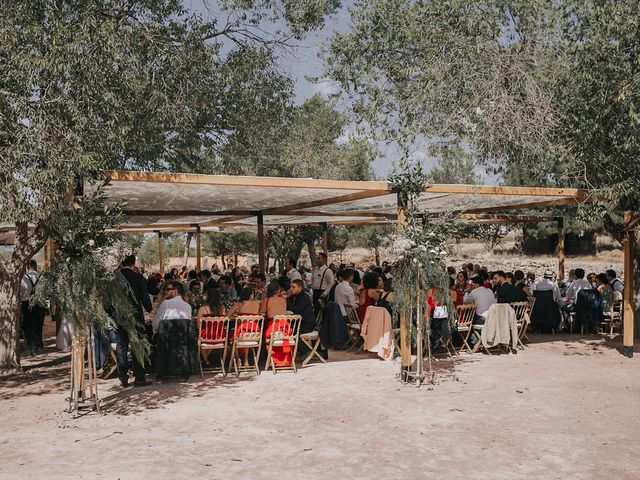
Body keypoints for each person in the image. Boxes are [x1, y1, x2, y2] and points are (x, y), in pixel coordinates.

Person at [118, 255, 153, 387]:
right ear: (133, 264)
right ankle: (139, 378)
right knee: (137, 346)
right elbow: (144, 296)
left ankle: (123, 378)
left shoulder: (115, 278)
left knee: (122, 347)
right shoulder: (138, 277)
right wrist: (149, 309)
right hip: (136, 317)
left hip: (119, 317)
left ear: (122, 263)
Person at [262, 280, 291, 367]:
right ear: (278, 290)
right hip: (285, 327)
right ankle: (284, 360)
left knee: (265, 333)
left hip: (273, 327)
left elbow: (261, 312)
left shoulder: (267, 300)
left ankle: (272, 359)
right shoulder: (283, 299)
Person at [196, 288, 226, 365]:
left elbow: (198, 325)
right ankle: (205, 359)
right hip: (219, 336)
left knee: (200, 337)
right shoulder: (222, 308)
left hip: (207, 335)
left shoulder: (202, 309)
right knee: (212, 339)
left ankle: (205, 360)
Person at [20, 260, 43, 355]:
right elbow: (45, 293)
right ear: (36, 266)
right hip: (39, 303)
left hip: (27, 303)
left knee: (27, 325)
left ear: (27, 267)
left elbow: (21, 292)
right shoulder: (42, 277)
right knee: (38, 325)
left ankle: (30, 346)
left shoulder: (24, 278)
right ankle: (36, 346)